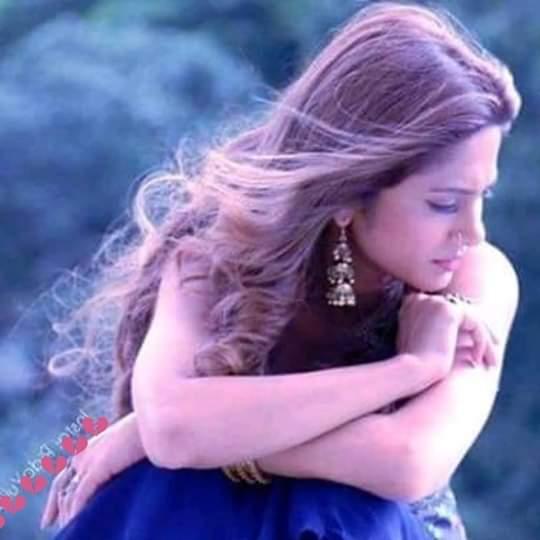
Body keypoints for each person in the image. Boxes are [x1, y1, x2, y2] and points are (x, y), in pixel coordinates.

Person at [39, 1, 521, 539]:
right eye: (444, 203)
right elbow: (174, 428)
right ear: (349, 194)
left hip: (369, 529)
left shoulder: (475, 279)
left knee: (332, 501)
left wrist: (193, 438)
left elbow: (407, 462)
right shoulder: (215, 257)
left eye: (483, 196)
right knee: (164, 486)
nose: (473, 231)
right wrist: (408, 368)